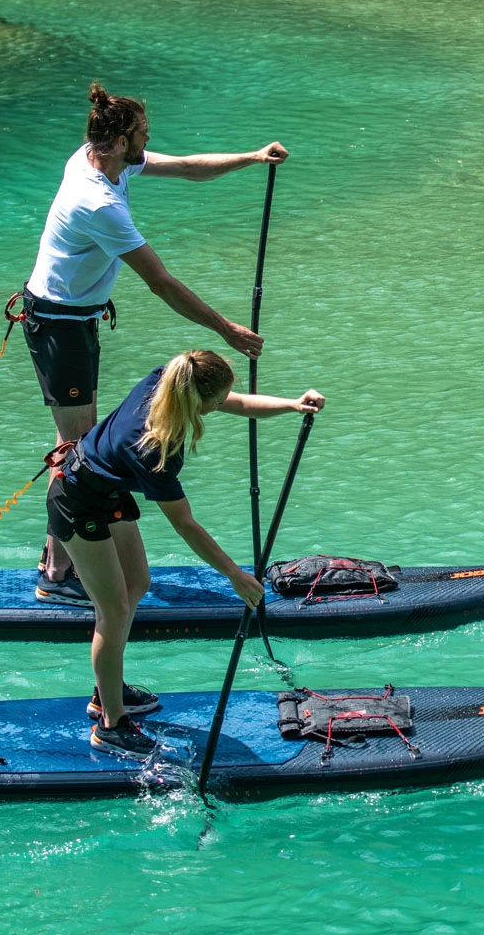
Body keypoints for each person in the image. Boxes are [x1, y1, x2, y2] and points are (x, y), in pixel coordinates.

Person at [24, 83, 289, 606]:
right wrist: (226, 330)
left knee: (79, 441)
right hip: (59, 323)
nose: (150, 139)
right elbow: (161, 283)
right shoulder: (97, 202)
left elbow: (188, 168)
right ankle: (56, 572)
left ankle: (61, 559)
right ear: (121, 139)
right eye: (144, 133)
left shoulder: (104, 160)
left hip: (77, 319)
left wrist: (253, 157)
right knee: (75, 448)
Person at [45, 349, 325, 758]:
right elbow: (185, 525)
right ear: (198, 400)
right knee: (113, 610)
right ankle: (111, 726)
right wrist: (235, 575)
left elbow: (237, 402)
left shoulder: (169, 381)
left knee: (138, 583)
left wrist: (292, 404)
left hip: (105, 491)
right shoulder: (155, 449)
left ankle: (107, 689)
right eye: (217, 400)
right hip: (76, 501)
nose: (222, 404)